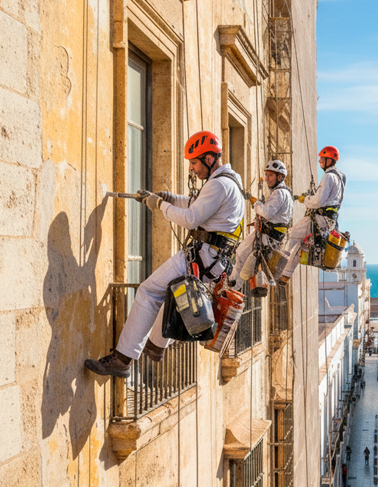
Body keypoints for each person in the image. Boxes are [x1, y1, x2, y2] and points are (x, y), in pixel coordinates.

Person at [85, 131, 244, 377]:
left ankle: (123, 359)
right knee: (174, 298)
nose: (192, 169)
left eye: (194, 162)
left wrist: (160, 205)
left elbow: (192, 218)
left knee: (148, 292)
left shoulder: (218, 184)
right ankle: (155, 346)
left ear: (210, 159)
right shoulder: (230, 183)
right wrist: (169, 198)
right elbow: (197, 204)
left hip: (201, 258)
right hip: (211, 261)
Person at [279, 145, 346, 285]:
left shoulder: (328, 177)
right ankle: (285, 275)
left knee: (292, 235)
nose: (320, 161)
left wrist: (306, 200)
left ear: (329, 160)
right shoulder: (341, 177)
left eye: (322, 159)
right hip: (329, 221)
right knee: (301, 245)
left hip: (318, 218)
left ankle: (278, 268)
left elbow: (318, 201)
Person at [228, 160, 292, 287]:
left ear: (280, 177)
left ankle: (232, 286)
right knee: (244, 257)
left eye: (270, 175)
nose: (267, 179)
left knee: (241, 254)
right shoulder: (284, 193)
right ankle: (233, 284)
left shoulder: (279, 193)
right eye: (266, 175)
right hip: (271, 237)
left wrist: (255, 202)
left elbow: (267, 212)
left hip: (266, 236)